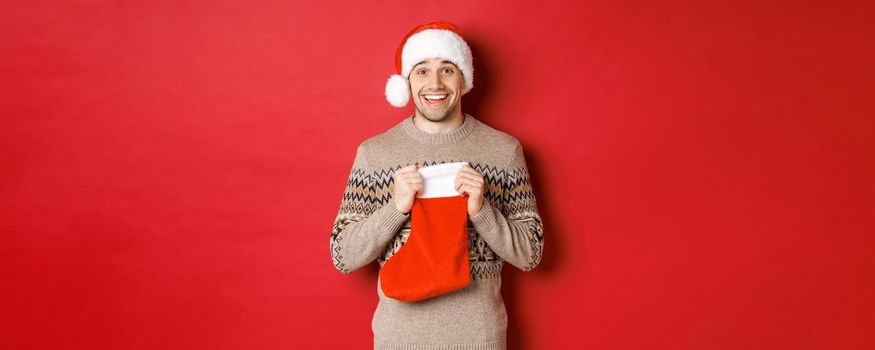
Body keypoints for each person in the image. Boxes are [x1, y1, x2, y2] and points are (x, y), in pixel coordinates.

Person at [329, 20, 544, 350]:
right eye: (422, 71)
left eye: (447, 70)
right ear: (407, 82)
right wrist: (395, 208)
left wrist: (482, 211)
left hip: (478, 338)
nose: (435, 83)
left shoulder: (503, 151)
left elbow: (531, 255)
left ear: (463, 79)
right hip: (398, 339)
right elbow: (343, 256)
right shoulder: (375, 154)